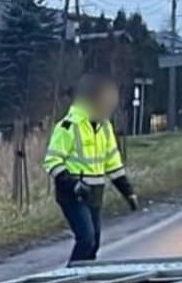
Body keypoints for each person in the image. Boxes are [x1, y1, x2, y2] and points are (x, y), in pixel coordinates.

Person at [43, 74, 140, 263]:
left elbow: (113, 165)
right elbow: (52, 161)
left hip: (95, 194)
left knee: (94, 243)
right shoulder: (68, 126)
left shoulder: (105, 128)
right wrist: (73, 184)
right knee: (86, 239)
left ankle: (82, 282)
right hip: (73, 194)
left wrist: (128, 193)